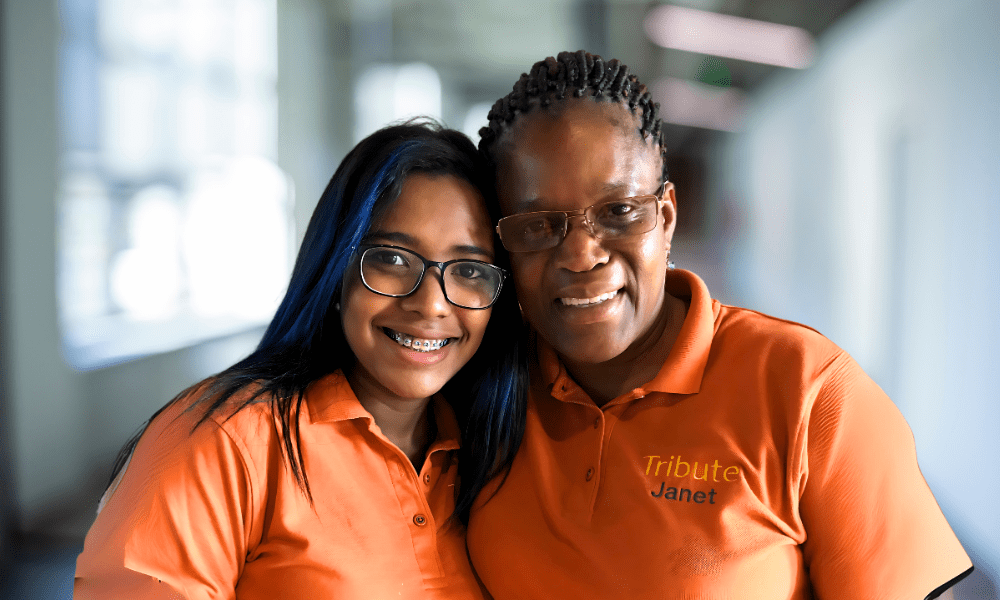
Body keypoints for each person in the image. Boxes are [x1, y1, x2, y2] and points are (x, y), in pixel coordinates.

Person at [466, 50, 973, 600]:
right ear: (502, 246)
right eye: (540, 224)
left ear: (666, 219)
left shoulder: (809, 393)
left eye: (619, 212)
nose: (583, 254)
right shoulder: (483, 392)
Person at [74, 121, 526, 599]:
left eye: (470, 270)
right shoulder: (225, 440)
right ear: (336, 271)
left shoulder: (490, 451)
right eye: (392, 259)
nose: (432, 304)